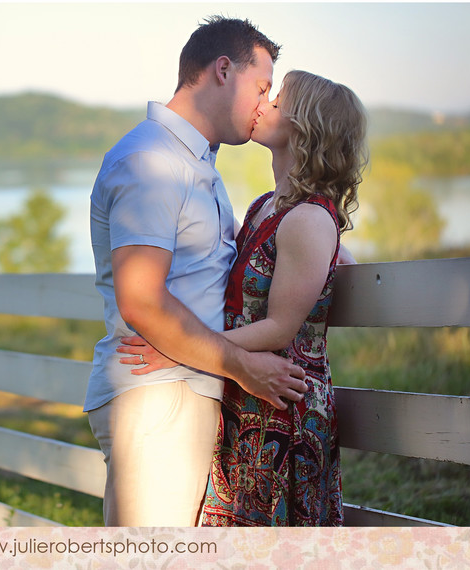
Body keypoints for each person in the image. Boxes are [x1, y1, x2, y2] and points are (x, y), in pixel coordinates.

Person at [84, 16, 309, 527]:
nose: (263, 103)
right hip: (158, 396)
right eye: (262, 86)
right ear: (223, 70)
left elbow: (239, 255)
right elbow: (141, 299)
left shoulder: (194, 165)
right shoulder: (152, 162)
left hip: (178, 386)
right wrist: (238, 364)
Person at [119, 70, 369, 526]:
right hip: (247, 397)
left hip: (283, 406)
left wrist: (177, 348)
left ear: (302, 124)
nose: (262, 104)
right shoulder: (265, 206)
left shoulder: (310, 218)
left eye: (275, 101)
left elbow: (279, 328)